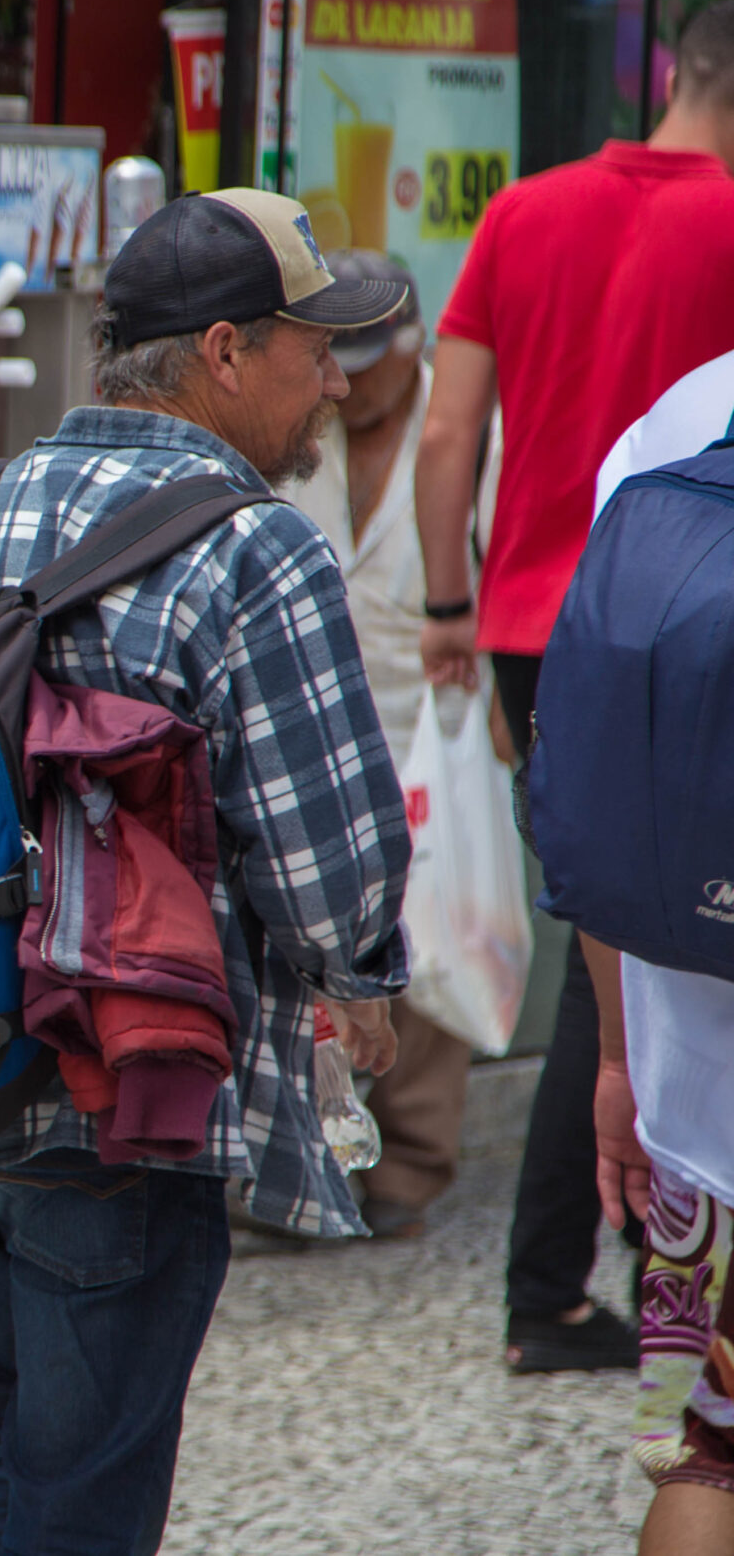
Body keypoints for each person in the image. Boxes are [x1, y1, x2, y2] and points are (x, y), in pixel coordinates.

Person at [0, 188, 411, 1556]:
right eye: (316, 348)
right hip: (123, 1084)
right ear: (228, 351)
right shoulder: (257, 547)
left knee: (34, 1441)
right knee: (91, 1491)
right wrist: (362, 977)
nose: (337, 382)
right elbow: (330, 852)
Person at [415, 0, 734, 1374]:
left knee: (595, 928)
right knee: (620, 953)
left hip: (536, 622)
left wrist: (449, 603)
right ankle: (564, 1274)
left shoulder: (524, 210)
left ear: (673, 73)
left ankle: (584, 1270)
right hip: (687, 632)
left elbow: (448, 423)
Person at [286, 252, 500, 1240]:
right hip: (316, 727)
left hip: (433, 723)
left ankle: (408, 1165)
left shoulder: (466, 438)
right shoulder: (299, 434)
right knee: (313, 947)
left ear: (412, 348)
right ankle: (313, 1156)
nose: (349, 380)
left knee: (429, 952)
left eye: (367, 359)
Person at [576, 359, 734, 1556]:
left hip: (697, 1088)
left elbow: (602, 790)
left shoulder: (678, 420)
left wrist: (620, 1060)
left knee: (707, 1454)